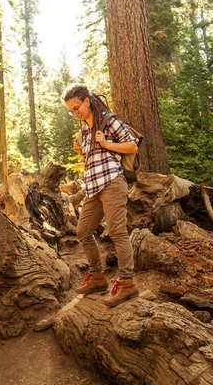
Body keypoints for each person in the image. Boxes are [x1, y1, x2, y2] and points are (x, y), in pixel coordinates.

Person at [62, 83, 139, 307]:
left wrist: (107, 143)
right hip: (93, 188)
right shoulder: (84, 130)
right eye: (71, 111)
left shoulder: (109, 121)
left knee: (117, 232)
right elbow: (93, 158)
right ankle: (97, 278)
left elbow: (132, 146)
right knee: (83, 230)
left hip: (113, 182)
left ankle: (127, 284)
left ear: (86, 101)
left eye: (76, 108)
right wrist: (81, 150)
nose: (74, 113)